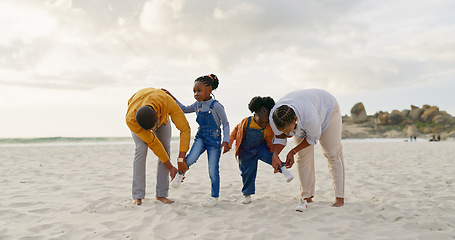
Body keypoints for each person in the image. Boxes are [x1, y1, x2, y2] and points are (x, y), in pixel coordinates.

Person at [269, 89, 345, 211]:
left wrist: (292, 151)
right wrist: (275, 155)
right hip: (305, 113)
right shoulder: (275, 118)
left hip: (328, 110)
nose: (287, 134)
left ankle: (339, 197)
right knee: (302, 156)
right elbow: (280, 137)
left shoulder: (309, 118)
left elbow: (312, 139)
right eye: (284, 131)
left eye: (289, 131)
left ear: (295, 119)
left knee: (332, 154)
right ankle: (307, 196)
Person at [166, 74, 230, 208]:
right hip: (201, 137)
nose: (196, 94)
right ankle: (180, 174)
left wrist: (226, 140)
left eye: (199, 91)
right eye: (194, 91)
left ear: (210, 90)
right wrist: (172, 98)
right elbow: (183, 109)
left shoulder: (217, 106)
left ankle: (214, 196)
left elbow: (225, 124)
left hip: (214, 141)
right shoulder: (197, 105)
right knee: (190, 159)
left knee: (213, 169)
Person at [126, 87, 191, 206]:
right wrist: (170, 167)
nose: (154, 131)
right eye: (151, 130)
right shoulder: (131, 119)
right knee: (141, 148)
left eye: (155, 127)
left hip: (161, 111)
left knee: (165, 146)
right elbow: (154, 143)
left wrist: (181, 158)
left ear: (157, 115)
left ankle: (161, 194)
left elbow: (184, 129)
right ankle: (137, 196)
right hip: (137, 116)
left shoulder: (167, 102)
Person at [229, 96, 294, 205]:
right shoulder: (246, 122)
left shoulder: (269, 125)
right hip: (246, 151)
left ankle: (284, 171)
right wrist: (229, 142)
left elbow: (281, 133)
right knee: (247, 173)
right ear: (254, 115)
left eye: (266, 122)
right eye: (261, 122)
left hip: (261, 148)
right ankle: (247, 194)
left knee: (272, 157)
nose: (263, 124)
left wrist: (289, 133)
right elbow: (235, 132)